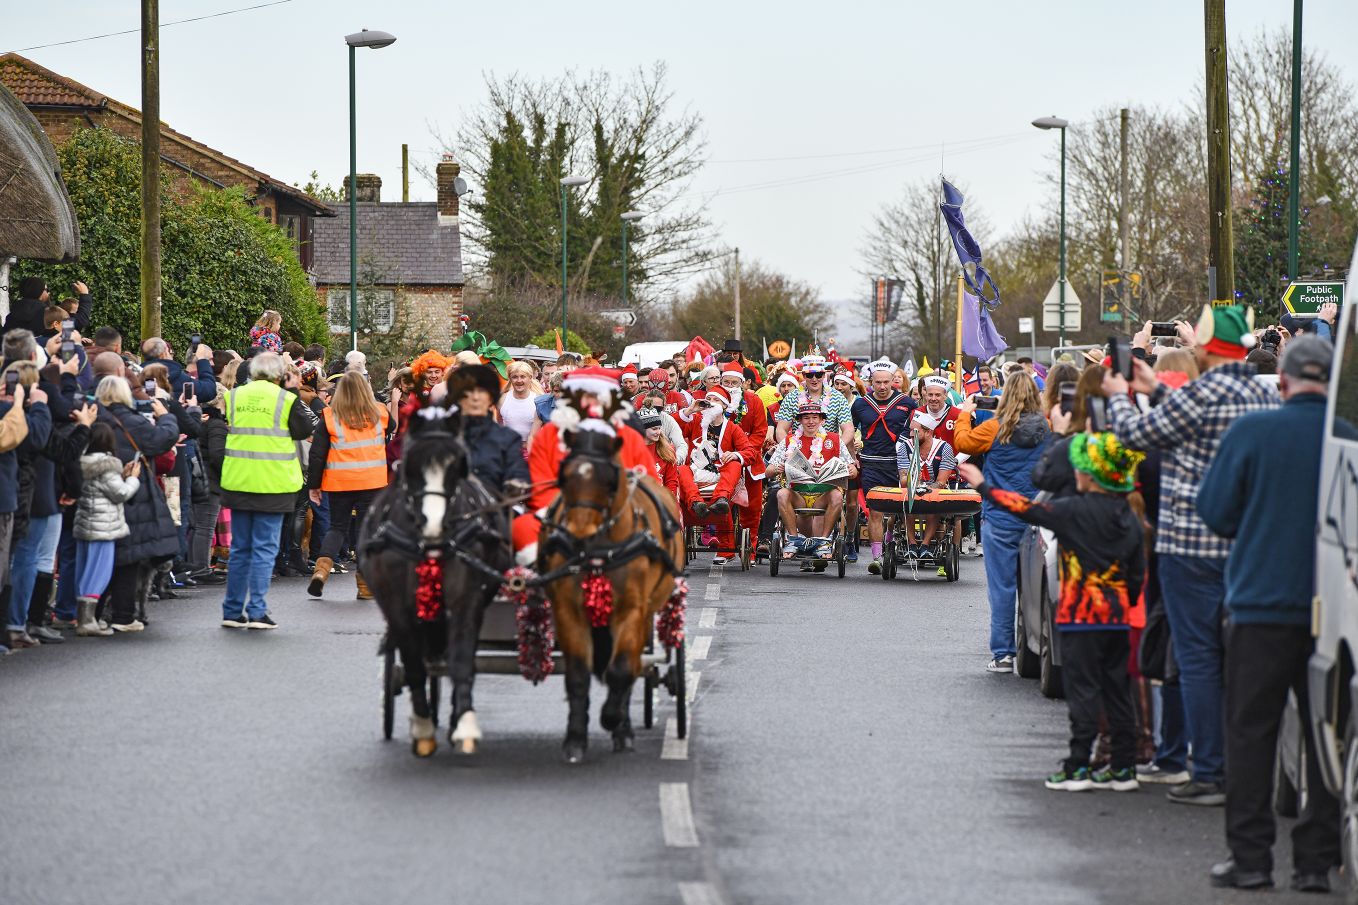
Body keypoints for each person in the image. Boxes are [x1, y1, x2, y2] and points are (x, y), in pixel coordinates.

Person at [1104, 304, 1279, 806]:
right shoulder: (1255, 391)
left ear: (1206, 347)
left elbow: (1135, 435)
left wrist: (1121, 397)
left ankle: (1207, 770)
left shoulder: (1202, 392)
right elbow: (1195, 422)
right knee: (1235, 659)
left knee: (1197, 659)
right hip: (1242, 545)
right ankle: (1239, 767)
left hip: (1188, 546)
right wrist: (1154, 388)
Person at [1196, 335, 1339, 892]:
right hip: (1331, 609)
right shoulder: (1346, 438)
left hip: (1259, 604)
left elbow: (1214, 511)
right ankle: (1316, 862)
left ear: (1282, 383)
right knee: (1326, 734)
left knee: (1251, 734)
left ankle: (1251, 859)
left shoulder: (1253, 432)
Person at [959, 432, 1145, 793]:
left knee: (1084, 692)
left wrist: (985, 486)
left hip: (1080, 618)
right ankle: (1124, 767)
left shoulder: (1073, 511)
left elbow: (1026, 508)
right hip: (1117, 616)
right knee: (1118, 690)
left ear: (1088, 475)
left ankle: (1077, 766)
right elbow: (1136, 572)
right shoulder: (1128, 515)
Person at [953, 372, 1050, 672]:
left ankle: (1003, 654)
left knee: (1002, 588)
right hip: (1035, 515)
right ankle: (1035, 646)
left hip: (1000, 516)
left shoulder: (995, 427)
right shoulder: (1047, 427)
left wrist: (965, 414)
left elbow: (963, 443)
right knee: (1035, 587)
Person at [219, 352, 316, 628]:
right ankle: (257, 610)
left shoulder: (234, 396)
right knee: (264, 549)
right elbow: (304, 429)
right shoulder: (285, 399)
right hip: (273, 484)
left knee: (240, 549)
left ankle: (232, 611)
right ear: (279, 375)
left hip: (238, 480)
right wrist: (294, 389)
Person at [93, 374, 180, 632]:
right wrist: (165, 416)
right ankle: (123, 614)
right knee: (130, 555)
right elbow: (161, 440)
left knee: (99, 556)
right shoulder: (131, 421)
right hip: (132, 493)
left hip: (96, 491)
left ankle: (91, 612)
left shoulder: (93, 417)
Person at [306, 372, 390, 600]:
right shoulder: (379, 413)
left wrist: (314, 485)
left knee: (337, 528)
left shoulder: (330, 416)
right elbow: (392, 427)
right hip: (372, 482)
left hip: (340, 481)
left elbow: (317, 454)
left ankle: (321, 572)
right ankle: (364, 586)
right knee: (366, 531)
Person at [73, 423, 141, 636]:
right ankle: (88, 621)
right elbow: (119, 493)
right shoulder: (107, 464)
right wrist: (132, 478)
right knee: (99, 571)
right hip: (104, 525)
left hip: (85, 522)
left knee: (84, 570)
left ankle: (82, 617)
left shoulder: (82, 462)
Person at [766, 400, 853, 566]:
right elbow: (768, 470)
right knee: (781, 493)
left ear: (822, 420)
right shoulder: (789, 441)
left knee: (836, 494)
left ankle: (824, 541)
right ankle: (793, 539)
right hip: (798, 494)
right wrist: (778, 468)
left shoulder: (835, 440)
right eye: (806, 418)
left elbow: (853, 468)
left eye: (815, 417)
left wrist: (850, 470)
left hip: (824, 495)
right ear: (799, 420)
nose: (811, 421)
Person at [851, 360, 916, 573]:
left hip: (899, 465)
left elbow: (916, 431)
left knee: (898, 509)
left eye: (886, 382)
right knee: (875, 511)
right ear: (871, 382)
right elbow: (851, 430)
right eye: (877, 382)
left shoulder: (906, 402)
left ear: (892, 381)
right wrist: (852, 453)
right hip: (871, 463)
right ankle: (877, 557)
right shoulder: (861, 404)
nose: (882, 386)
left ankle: (890, 534)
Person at [450, 364, 530, 490]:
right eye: (469, 391)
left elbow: (519, 473)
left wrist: (516, 483)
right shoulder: (447, 434)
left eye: (481, 391)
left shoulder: (508, 438)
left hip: (494, 502)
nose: (475, 397)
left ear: (491, 398)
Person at [896, 410, 957, 568]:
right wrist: (912, 483)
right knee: (908, 497)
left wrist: (926, 489)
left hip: (934, 489)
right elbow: (903, 478)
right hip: (912, 487)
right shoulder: (905, 447)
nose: (910, 434)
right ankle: (911, 543)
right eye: (910, 430)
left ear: (928, 432)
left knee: (934, 499)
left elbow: (941, 481)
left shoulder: (944, 448)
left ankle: (925, 544)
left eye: (914, 431)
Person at [774, 355, 853, 447]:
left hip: (829, 450)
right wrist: (791, 449)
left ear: (824, 375)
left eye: (818, 375)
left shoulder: (838, 398)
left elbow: (848, 429)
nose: (814, 379)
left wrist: (836, 448)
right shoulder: (791, 398)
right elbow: (781, 430)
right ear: (804, 376)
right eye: (810, 375)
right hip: (799, 450)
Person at [499, 360, 541, 442]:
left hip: (532, 449)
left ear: (530, 377)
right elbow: (498, 423)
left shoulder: (539, 400)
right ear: (510, 379)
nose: (519, 380)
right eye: (514, 377)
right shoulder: (502, 399)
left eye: (523, 377)